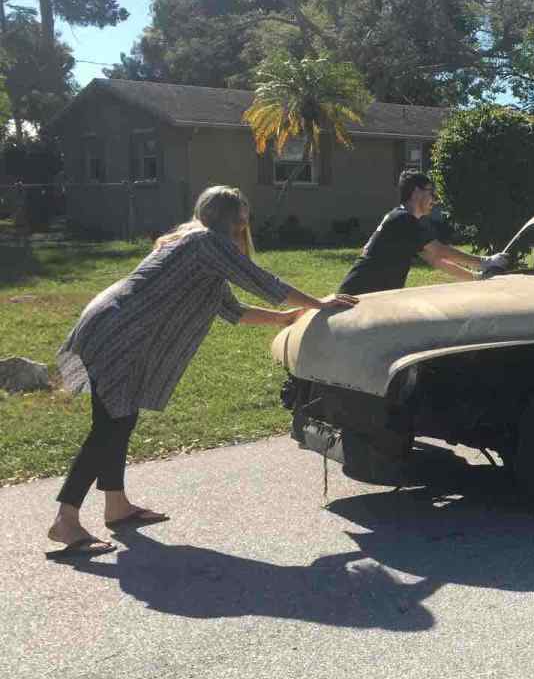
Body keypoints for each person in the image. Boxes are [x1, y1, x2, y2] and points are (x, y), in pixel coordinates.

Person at [47, 186, 358, 557]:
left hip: (114, 325)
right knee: (109, 425)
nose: (245, 228)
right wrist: (316, 302)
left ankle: (116, 505)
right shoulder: (206, 243)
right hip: (121, 333)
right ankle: (66, 520)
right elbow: (261, 280)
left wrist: (284, 317)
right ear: (236, 220)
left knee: (119, 418)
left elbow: (230, 309)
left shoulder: (195, 244)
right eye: (243, 220)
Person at [338, 170, 509, 295]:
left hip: (363, 293)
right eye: (431, 192)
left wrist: (475, 278)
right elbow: (440, 251)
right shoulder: (404, 220)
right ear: (416, 192)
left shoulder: (399, 218)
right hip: (360, 297)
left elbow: (436, 260)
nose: (435, 199)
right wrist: (485, 262)